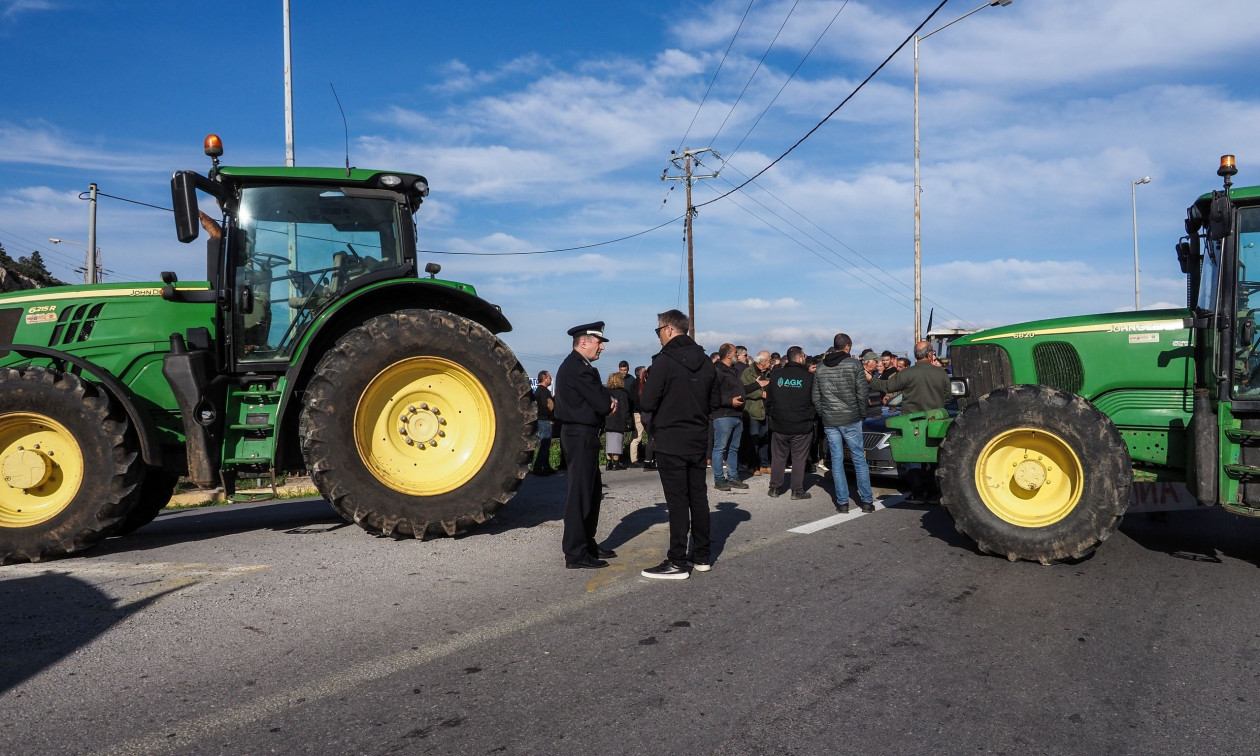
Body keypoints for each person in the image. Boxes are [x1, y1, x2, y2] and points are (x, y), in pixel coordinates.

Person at [639, 309, 716, 580]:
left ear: (669, 329)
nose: (658, 335)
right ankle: (702, 555)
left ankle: (677, 561)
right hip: (697, 437)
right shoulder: (705, 361)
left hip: (671, 439)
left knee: (678, 502)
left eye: (658, 330)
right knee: (699, 497)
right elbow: (714, 400)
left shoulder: (664, 361)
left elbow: (647, 402)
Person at [554, 321, 617, 569]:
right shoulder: (578, 368)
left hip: (582, 435)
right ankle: (575, 553)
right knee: (580, 495)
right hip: (579, 435)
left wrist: (606, 400)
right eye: (599, 342)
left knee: (591, 492)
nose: (602, 347)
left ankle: (586, 543)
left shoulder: (579, 366)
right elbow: (602, 404)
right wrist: (608, 402)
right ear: (583, 342)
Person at [870, 340, 952, 503]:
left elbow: (887, 386)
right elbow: (948, 397)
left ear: (915, 355)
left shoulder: (907, 373)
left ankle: (917, 493)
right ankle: (933, 493)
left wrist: (869, 379)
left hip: (911, 422)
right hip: (934, 421)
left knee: (912, 457)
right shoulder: (941, 373)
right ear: (930, 354)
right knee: (933, 457)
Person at [812, 334, 874, 513]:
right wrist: (862, 414)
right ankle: (867, 501)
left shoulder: (820, 367)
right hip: (851, 417)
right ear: (848, 346)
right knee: (858, 459)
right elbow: (862, 392)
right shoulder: (854, 364)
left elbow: (815, 396)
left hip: (831, 419)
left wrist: (824, 413)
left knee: (837, 461)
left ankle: (842, 502)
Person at [765, 346, 816, 499]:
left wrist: (772, 415)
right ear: (799, 358)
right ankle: (797, 490)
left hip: (780, 423)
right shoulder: (809, 377)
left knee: (778, 457)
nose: (805, 358)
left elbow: (769, 399)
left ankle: (774, 488)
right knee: (799, 458)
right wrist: (811, 416)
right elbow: (815, 400)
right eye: (804, 356)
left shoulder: (776, 375)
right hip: (801, 424)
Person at [710, 343, 749, 491]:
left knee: (734, 449)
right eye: (735, 353)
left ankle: (733, 477)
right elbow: (712, 395)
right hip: (723, 415)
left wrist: (756, 385)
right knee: (720, 448)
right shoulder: (717, 371)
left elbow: (740, 390)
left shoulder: (733, 371)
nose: (737, 355)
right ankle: (719, 479)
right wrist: (729, 401)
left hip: (736, 414)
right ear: (728, 355)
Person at [604, 372, 630, 471]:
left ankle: (608, 462)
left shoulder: (606, 392)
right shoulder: (622, 393)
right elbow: (625, 409)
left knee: (609, 441)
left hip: (608, 419)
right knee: (617, 441)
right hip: (618, 419)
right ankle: (616, 463)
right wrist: (628, 421)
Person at [532, 370, 556, 476]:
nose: (551, 379)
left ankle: (546, 466)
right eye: (549, 377)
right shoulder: (544, 392)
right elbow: (547, 406)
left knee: (545, 445)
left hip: (541, 419)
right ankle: (538, 468)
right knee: (545, 445)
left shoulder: (538, 391)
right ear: (545, 379)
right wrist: (551, 418)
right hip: (544, 420)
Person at [626, 365, 647, 466]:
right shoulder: (638, 384)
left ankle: (635, 457)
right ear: (641, 373)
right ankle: (634, 459)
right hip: (638, 412)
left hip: (637, 411)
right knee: (637, 437)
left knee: (636, 436)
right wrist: (641, 409)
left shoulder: (636, 383)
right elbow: (636, 399)